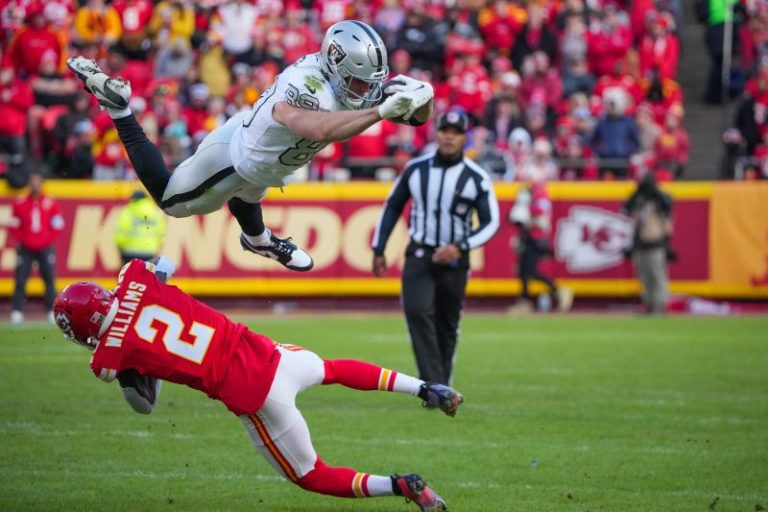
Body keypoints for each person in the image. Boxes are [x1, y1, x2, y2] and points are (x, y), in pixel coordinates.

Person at [52, 257, 462, 512]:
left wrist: (137, 367)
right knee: (331, 368)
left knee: (311, 475)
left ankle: (400, 486)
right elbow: (165, 264)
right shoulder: (134, 275)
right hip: (270, 352)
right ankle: (426, 387)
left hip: (257, 395)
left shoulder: (107, 359)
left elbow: (143, 405)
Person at [66, 20, 434, 272]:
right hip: (236, 158)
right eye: (359, 82)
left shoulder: (352, 84)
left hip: (264, 157)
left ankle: (258, 240)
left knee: (251, 191)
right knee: (170, 202)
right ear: (336, 66)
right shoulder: (307, 85)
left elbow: (418, 118)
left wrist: (423, 97)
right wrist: (380, 112)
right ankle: (120, 109)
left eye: (372, 83)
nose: (367, 91)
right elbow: (319, 128)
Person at [371, 111, 500, 385]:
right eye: (445, 131)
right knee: (417, 312)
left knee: (447, 324)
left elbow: (491, 222)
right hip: (420, 253)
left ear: (465, 138)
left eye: (456, 132)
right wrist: (379, 247)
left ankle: (440, 384)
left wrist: (461, 246)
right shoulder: (416, 169)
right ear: (436, 133)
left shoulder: (476, 177)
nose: (450, 137)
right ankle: (434, 385)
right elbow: (393, 205)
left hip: (455, 259)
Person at [8, 171, 65, 324]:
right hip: (25, 247)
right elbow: (14, 225)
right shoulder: (20, 202)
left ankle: (51, 310)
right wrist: (22, 240)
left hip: (45, 247)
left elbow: (58, 224)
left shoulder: (50, 202)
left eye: (37, 183)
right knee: (20, 279)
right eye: (32, 183)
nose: (35, 186)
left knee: (49, 279)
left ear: (41, 184)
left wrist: (47, 239)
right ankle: (17, 311)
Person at [508, 182, 573, 313]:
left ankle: (559, 290)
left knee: (530, 271)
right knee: (523, 271)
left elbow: (539, 213)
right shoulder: (528, 192)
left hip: (536, 238)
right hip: (527, 237)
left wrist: (526, 212)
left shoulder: (540, 194)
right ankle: (525, 300)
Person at [622, 173, 674, 314]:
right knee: (644, 278)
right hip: (639, 244)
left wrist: (654, 191)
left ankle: (660, 306)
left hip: (655, 243)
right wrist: (637, 192)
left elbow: (667, 204)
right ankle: (649, 305)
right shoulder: (639, 199)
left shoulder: (660, 198)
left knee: (657, 276)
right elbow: (626, 208)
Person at [114, 189, 167, 264]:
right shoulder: (154, 213)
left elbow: (120, 237)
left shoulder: (128, 212)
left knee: (131, 272)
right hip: (149, 253)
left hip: (129, 253)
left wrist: (121, 251)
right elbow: (160, 235)